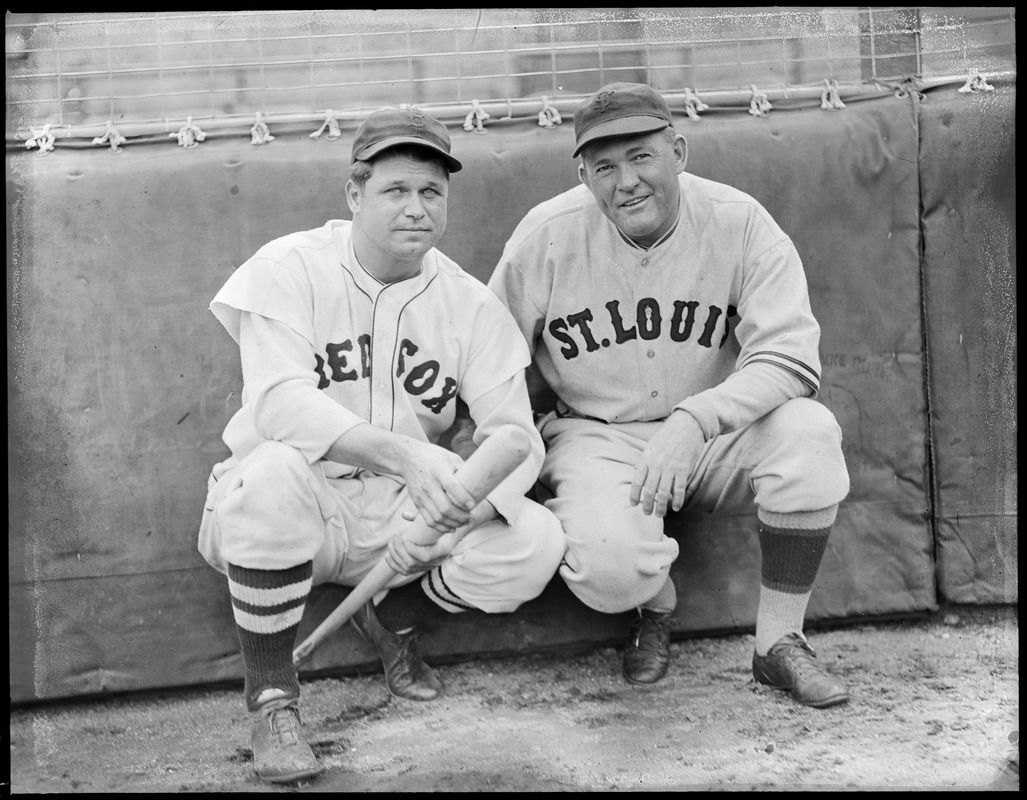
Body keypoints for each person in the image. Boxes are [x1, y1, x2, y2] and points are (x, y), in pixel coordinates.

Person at [197, 106, 566, 784]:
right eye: (395, 190)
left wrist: (463, 505)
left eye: (431, 192)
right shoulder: (289, 266)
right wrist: (408, 456)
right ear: (354, 194)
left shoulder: (469, 305)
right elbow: (277, 404)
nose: (416, 208)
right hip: (298, 502)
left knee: (533, 539)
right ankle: (272, 702)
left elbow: (516, 438)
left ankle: (386, 613)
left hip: (404, 519)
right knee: (269, 472)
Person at [488, 82, 851, 709]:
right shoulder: (545, 235)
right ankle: (651, 603)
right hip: (598, 433)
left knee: (809, 434)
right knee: (607, 569)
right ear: (584, 174)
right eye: (604, 166)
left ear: (678, 151)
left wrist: (699, 418)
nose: (625, 180)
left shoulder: (739, 221)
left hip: (713, 432)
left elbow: (789, 357)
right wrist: (521, 449)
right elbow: (489, 361)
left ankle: (779, 644)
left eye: (642, 157)